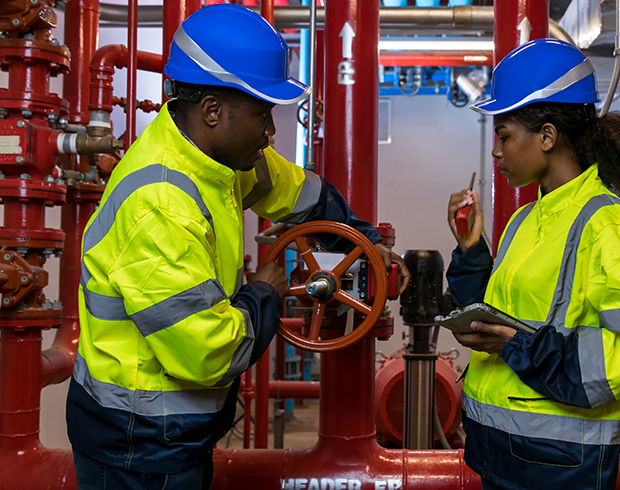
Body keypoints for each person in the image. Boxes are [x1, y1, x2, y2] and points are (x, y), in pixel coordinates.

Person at [66, 5, 409, 489]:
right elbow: (210, 354)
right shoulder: (160, 203)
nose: (270, 131)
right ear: (212, 111)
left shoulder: (216, 160)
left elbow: (299, 192)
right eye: (262, 113)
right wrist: (265, 292)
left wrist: (363, 240)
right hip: (138, 445)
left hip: (170, 434)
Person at [445, 39, 620, 490]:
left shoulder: (604, 223)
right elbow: (500, 314)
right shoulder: (525, 219)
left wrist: (517, 345)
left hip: (559, 463)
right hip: (500, 453)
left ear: (547, 136)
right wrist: (471, 253)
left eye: (504, 136)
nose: (496, 152)